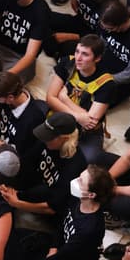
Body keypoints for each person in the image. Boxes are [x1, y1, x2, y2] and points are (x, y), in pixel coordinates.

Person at [9, 165, 112, 260]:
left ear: (91, 195)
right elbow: (62, 222)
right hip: (60, 248)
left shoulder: (90, 229)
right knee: (14, 241)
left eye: (81, 181)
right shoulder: (77, 199)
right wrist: (53, 247)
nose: (75, 181)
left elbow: (63, 256)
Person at [45, 35, 116, 165]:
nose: (78, 58)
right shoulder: (67, 62)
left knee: (89, 160)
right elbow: (50, 98)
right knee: (42, 138)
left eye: (85, 54)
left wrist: (64, 98)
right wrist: (78, 116)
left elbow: (90, 121)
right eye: (77, 51)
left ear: (97, 58)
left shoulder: (106, 83)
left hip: (87, 132)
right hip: (60, 116)